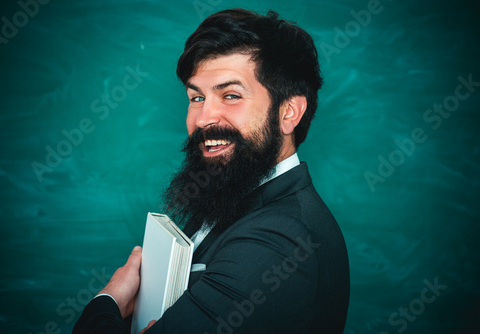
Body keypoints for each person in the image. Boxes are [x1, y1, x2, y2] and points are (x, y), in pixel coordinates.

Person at [73, 8, 349, 334]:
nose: (203, 119)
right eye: (196, 97)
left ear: (289, 112)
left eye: (230, 95)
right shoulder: (228, 192)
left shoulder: (279, 242)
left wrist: (109, 300)